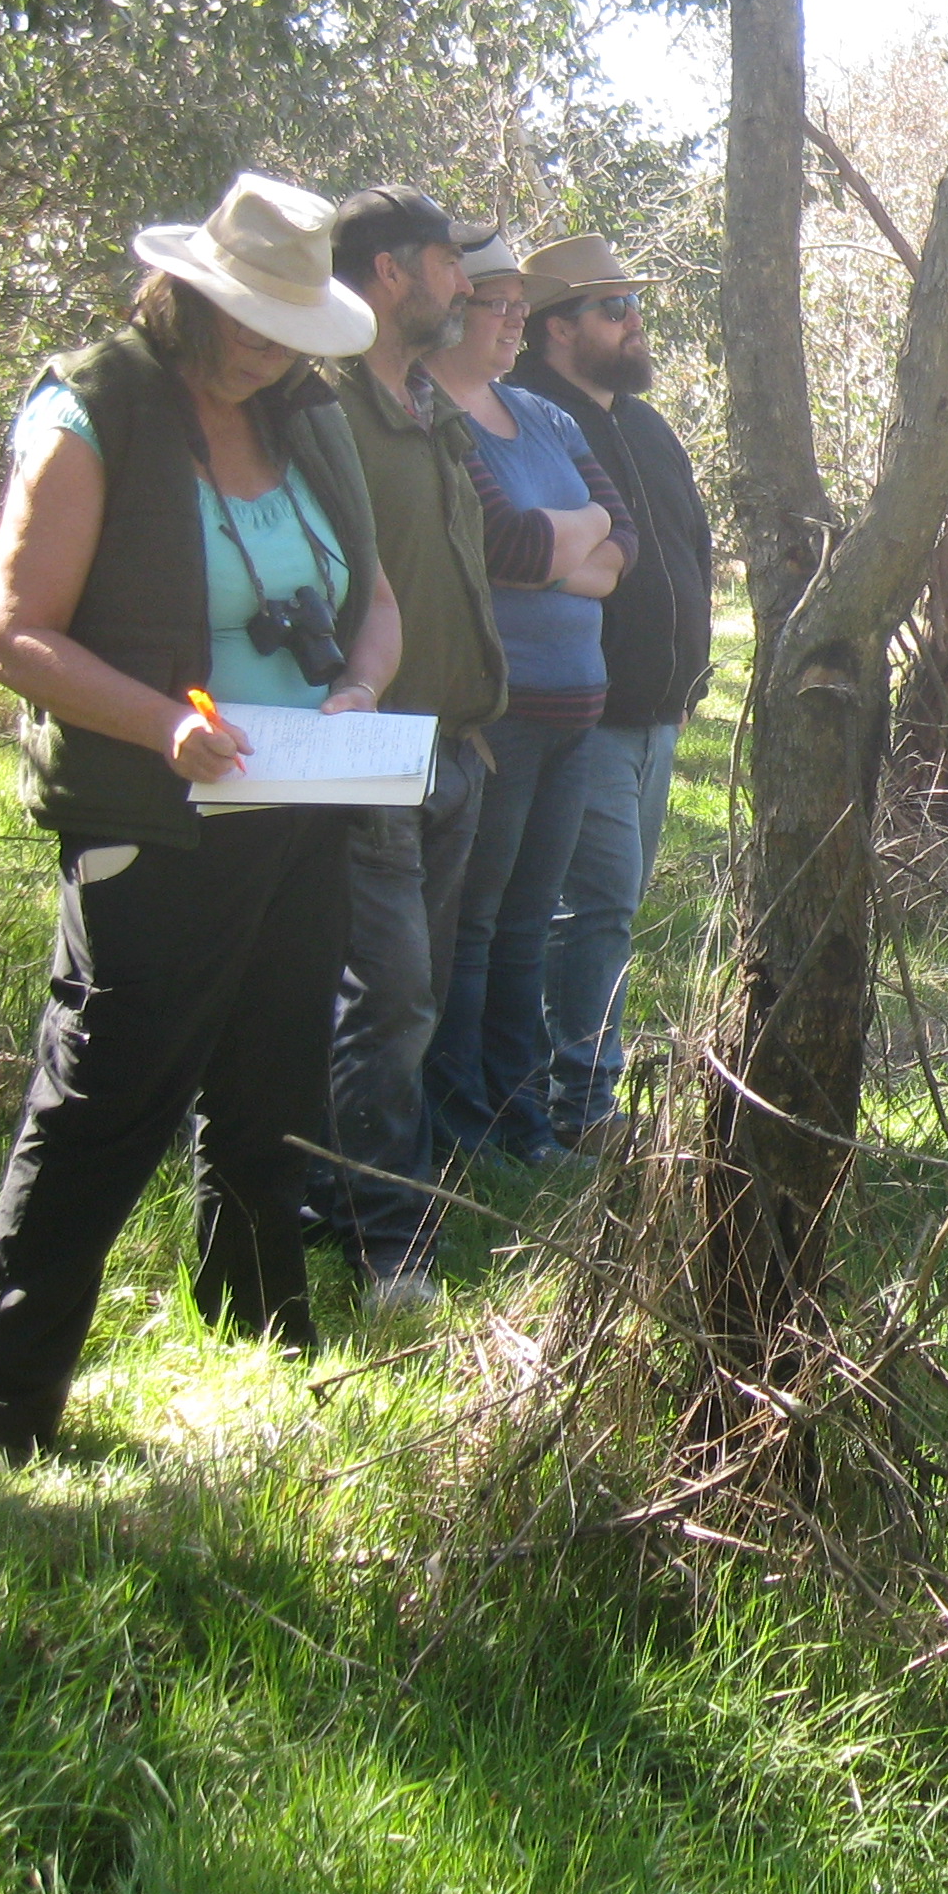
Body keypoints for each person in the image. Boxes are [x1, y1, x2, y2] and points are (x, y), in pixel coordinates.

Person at [0, 174, 401, 1477]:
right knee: (103, 1102)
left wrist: (362, 682)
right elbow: (13, 633)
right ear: (188, 287)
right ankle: (3, 1407)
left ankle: (259, 1334)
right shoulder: (94, 408)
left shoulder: (309, 418)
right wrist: (161, 724)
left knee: (272, 1093)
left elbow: (372, 597)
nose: (266, 345)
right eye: (248, 316)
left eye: (289, 323)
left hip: (299, 806)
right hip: (159, 810)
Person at [311, 190, 510, 1305]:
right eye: (448, 263)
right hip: (365, 747)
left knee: (415, 997)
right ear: (391, 272)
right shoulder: (324, 406)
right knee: (384, 1000)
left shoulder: (431, 404)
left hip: (453, 749)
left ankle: (349, 1201)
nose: (463, 287)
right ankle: (389, 1245)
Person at [425, 246, 637, 1167]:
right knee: (472, 928)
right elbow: (504, 543)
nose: (513, 319)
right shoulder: (432, 420)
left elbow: (621, 537)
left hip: (576, 715)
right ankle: (464, 1124)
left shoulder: (545, 415)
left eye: (520, 305)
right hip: (496, 715)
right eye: (496, 304)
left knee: (526, 925)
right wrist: (566, 547)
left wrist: (568, 547)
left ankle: (524, 1124)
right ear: (448, 310)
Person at [509, 234, 718, 1151]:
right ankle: (579, 1105)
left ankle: (578, 1093)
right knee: (588, 908)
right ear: (558, 328)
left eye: (634, 303)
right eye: (613, 308)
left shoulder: (645, 424)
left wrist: (687, 679)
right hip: (581, 712)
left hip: (658, 716)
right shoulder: (533, 421)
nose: (636, 323)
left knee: (613, 906)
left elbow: (691, 550)